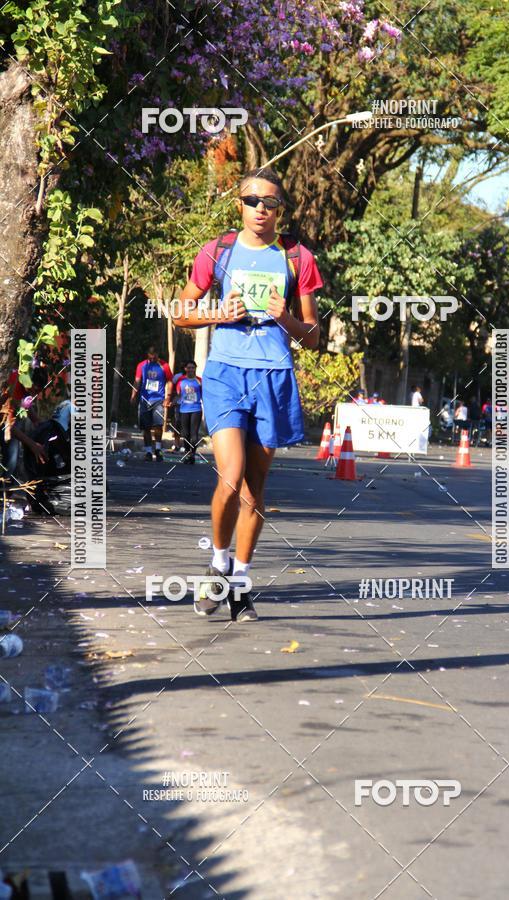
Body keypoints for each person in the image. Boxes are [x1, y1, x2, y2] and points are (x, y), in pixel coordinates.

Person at [173, 166, 323, 622]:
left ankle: (239, 583)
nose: (261, 208)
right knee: (230, 476)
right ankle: (217, 564)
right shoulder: (216, 251)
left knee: (255, 490)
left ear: (281, 209)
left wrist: (287, 320)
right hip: (224, 373)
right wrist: (217, 313)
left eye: (270, 202)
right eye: (253, 200)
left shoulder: (298, 258)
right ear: (239, 205)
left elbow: (313, 336)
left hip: (274, 375)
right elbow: (181, 311)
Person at [130, 346, 173, 461]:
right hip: (145, 399)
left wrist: (168, 397)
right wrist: (133, 395)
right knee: (146, 427)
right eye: (150, 354)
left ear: (158, 354)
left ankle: (158, 449)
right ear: (148, 354)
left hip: (158, 400)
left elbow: (169, 381)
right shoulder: (142, 365)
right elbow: (137, 381)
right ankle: (148, 451)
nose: (153, 357)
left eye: (155, 354)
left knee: (158, 426)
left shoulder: (164, 366)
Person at [177, 361, 203, 464]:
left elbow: (204, 395)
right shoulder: (181, 381)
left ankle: (192, 454)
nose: (191, 369)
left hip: (196, 409)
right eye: (189, 368)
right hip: (184, 410)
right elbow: (179, 395)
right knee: (185, 433)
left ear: (195, 369)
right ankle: (187, 453)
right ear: (185, 369)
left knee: (194, 433)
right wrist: (171, 401)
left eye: (193, 368)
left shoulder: (199, 381)